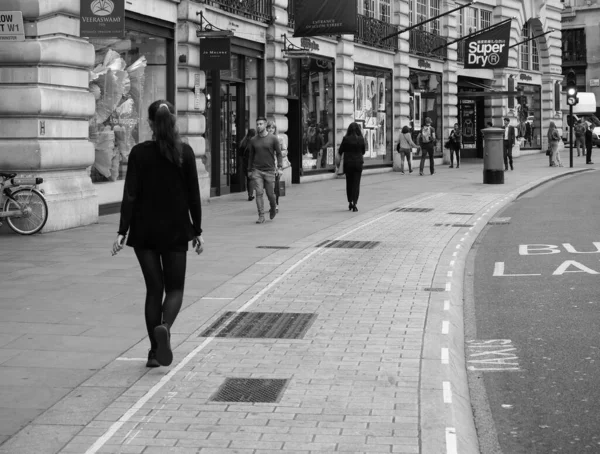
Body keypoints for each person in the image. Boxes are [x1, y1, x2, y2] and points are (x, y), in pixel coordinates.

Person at [112, 100, 203, 368]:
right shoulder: (184, 152)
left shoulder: (139, 153)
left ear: (150, 123)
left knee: (154, 290)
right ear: (173, 121)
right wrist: (196, 229)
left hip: (144, 231)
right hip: (176, 229)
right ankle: (165, 326)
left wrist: (122, 231)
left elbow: (130, 194)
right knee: (175, 288)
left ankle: (154, 352)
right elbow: (193, 195)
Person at [248, 116, 282, 224]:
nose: (258, 126)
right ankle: (261, 216)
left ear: (265, 124)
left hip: (270, 171)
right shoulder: (253, 140)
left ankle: (273, 207)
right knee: (258, 193)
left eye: (261, 124)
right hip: (257, 170)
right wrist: (249, 170)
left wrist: (280, 167)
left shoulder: (273, 139)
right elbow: (251, 156)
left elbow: (279, 154)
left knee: (270, 194)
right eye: (257, 124)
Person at [338, 122, 365, 212]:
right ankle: (355, 203)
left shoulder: (346, 139)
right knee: (356, 183)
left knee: (349, 183)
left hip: (348, 163)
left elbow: (340, 150)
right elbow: (363, 151)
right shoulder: (361, 139)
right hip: (358, 164)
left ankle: (349, 201)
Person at [266, 120, 280, 212]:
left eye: (273, 128)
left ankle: (276, 204)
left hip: (276, 166)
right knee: (269, 187)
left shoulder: (279, 138)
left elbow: (284, 151)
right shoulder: (264, 139)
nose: (271, 129)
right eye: (269, 127)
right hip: (267, 165)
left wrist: (277, 152)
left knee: (276, 186)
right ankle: (272, 203)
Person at [238, 128, 256, 201]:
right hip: (253, 163)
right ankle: (251, 194)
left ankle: (250, 194)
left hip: (245, 163)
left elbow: (240, 154)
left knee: (249, 179)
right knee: (251, 179)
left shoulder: (243, 142)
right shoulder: (254, 142)